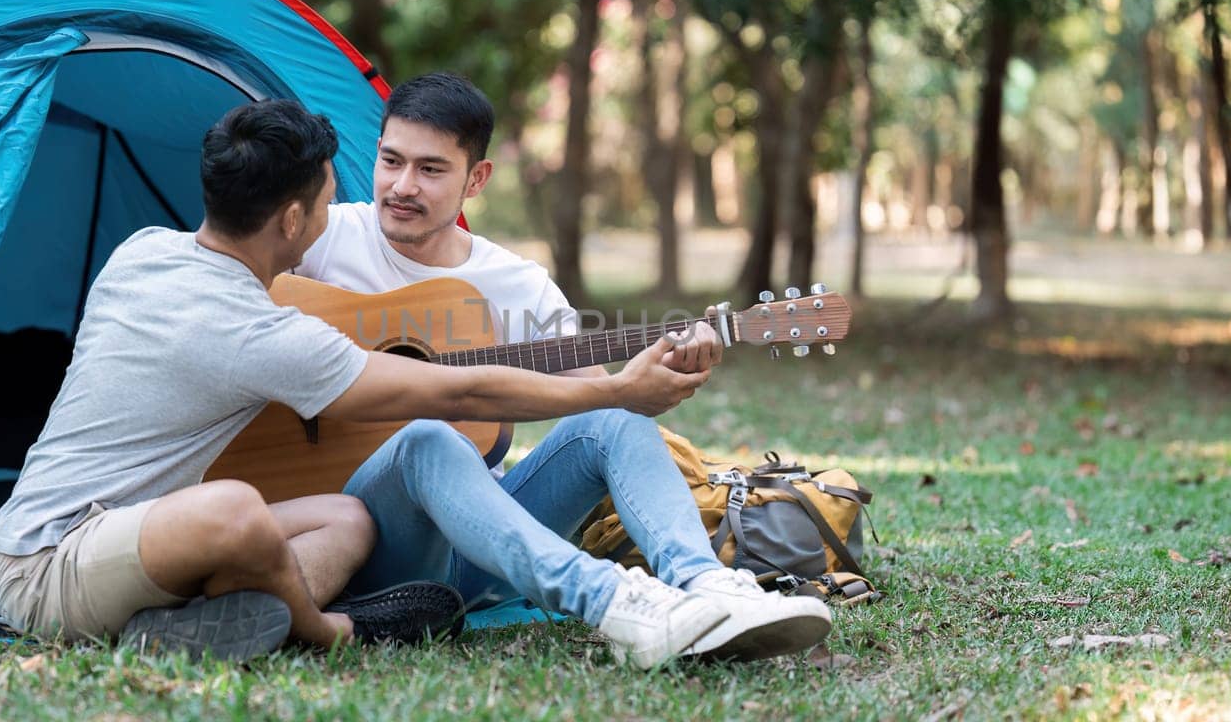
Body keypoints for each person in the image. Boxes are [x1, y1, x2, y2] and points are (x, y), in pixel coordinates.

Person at [0, 99, 713, 663]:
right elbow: (453, 396)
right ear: (294, 219)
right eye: (330, 203)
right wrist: (617, 390)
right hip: (47, 564)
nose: (347, 212)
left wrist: (614, 392)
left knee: (347, 519)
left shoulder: (142, 250)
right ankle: (325, 630)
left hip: (131, 538)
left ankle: (187, 626)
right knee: (232, 507)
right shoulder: (258, 333)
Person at [292, 73, 833, 667]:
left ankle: (707, 590)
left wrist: (643, 386)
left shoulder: (516, 285)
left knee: (613, 421)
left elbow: (600, 399)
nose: (402, 186)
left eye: (430, 169)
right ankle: (623, 607)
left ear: (477, 178)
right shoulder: (321, 240)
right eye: (390, 160)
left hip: (474, 553)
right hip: (351, 540)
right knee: (428, 437)